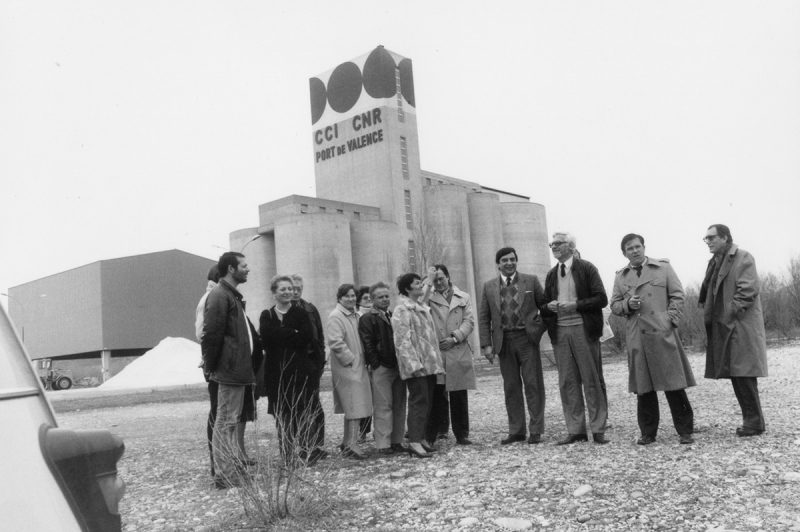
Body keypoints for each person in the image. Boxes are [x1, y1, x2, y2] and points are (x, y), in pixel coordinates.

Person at [610, 234, 696, 445]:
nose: (635, 250)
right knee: (643, 387)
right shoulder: (620, 277)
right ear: (624, 253)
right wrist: (628, 304)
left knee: (674, 384)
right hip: (637, 337)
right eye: (630, 248)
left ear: (644, 247)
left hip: (662, 333)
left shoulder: (664, 268)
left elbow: (678, 295)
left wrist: (669, 320)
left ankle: (685, 431)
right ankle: (648, 432)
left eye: (638, 246)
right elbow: (614, 306)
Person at [539, 232, 609, 445]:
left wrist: (575, 305)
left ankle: (598, 429)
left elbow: (601, 298)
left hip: (583, 331)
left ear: (570, 246)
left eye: (558, 243)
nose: (553, 247)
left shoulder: (587, 268)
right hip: (560, 333)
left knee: (591, 379)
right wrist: (548, 307)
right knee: (567, 381)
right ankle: (576, 429)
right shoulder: (552, 274)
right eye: (552, 244)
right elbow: (542, 304)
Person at [699, 224, 768, 436]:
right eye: (706, 238)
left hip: (740, 326)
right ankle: (752, 421)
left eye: (712, 237)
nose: (708, 241)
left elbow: (748, 290)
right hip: (727, 326)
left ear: (725, 238)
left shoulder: (743, 257)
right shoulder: (717, 262)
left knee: (744, 374)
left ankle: (754, 423)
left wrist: (730, 314)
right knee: (737, 374)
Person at [201, 252, 262, 488]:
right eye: (244, 266)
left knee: (229, 422)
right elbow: (211, 334)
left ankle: (229, 471)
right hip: (229, 371)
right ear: (231, 268)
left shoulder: (231, 295)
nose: (248, 269)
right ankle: (224, 475)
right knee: (225, 423)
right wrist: (211, 366)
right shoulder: (219, 295)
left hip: (237, 371)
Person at [479, 247, 547, 445]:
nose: (509, 263)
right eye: (504, 260)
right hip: (504, 341)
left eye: (512, 259)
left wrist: (538, 329)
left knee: (533, 384)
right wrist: (486, 345)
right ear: (498, 264)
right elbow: (484, 317)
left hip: (526, 339)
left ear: (516, 261)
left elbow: (544, 307)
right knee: (511, 387)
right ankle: (516, 430)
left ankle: (536, 430)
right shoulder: (489, 286)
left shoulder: (531, 281)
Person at [260, 275, 327, 464]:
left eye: (290, 288)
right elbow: (266, 337)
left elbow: (305, 337)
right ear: (274, 293)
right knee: (283, 417)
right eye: (283, 289)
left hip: (299, 372)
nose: (288, 292)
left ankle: (308, 452)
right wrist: (292, 333)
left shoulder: (301, 313)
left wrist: (281, 334)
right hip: (277, 374)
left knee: (303, 412)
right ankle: (288, 457)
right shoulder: (267, 315)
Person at [392, 273, 445, 458]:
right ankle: (414, 441)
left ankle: (421, 437)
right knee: (418, 401)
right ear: (407, 288)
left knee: (427, 400)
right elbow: (402, 340)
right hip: (416, 366)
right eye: (417, 283)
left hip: (428, 364)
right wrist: (413, 365)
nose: (421, 285)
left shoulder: (421, 307)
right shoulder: (402, 310)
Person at [424, 265, 476, 446]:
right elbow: (418, 309)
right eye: (435, 279)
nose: (438, 283)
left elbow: (469, 321)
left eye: (441, 279)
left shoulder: (463, 297)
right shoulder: (427, 297)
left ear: (448, 277)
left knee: (459, 393)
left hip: (456, 348)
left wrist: (454, 338)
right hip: (437, 350)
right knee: (437, 394)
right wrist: (427, 284)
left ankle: (462, 433)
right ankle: (438, 430)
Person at [358, 282, 407, 456]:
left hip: (398, 366)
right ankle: (383, 443)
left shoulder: (393, 315)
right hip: (381, 368)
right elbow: (368, 342)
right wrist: (375, 363)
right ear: (372, 299)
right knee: (383, 406)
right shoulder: (367, 318)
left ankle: (397, 440)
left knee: (400, 405)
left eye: (387, 296)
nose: (385, 299)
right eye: (381, 297)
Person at [326, 284, 373, 459]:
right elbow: (335, 342)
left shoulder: (354, 315)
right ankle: (351, 443)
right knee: (354, 405)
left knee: (354, 406)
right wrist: (352, 361)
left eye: (353, 296)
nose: (351, 299)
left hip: (357, 367)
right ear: (339, 298)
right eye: (347, 296)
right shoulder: (336, 316)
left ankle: (348, 442)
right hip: (348, 368)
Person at [289, 274, 326, 454]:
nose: (295, 292)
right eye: (292, 288)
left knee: (315, 404)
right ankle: (303, 445)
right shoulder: (283, 310)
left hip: (313, 361)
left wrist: (321, 360)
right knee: (299, 405)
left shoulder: (311, 309)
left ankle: (317, 444)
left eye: (298, 288)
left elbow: (320, 336)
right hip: (295, 364)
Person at [355, 285, 374, 441]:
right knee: (363, 398)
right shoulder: (357, 317)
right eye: (365, 298)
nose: (369, 301)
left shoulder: (377, 315)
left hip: (375, 361)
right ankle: (363, 431)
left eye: (370, 298)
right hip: (362, 362)